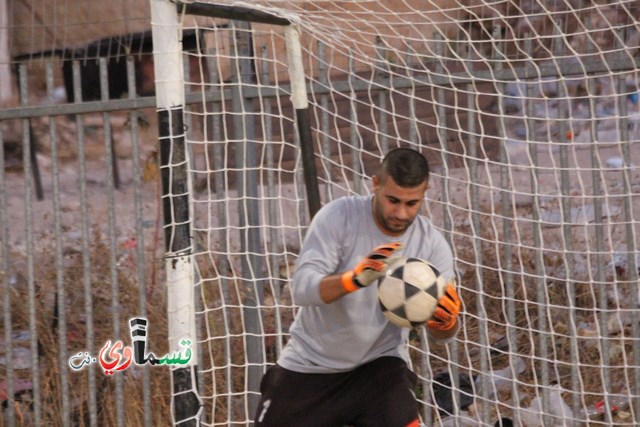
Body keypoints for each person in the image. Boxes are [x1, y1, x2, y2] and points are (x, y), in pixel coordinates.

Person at [254, 147, 462, 427]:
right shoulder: (338, 217)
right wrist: (352, 280)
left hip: (378, 366)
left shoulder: (431, 246)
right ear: (375, 185)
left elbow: (443, 336)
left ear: (424, 193)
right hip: (310, 365)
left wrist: (446, 321)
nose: (401, 213)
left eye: (412, 203)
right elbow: (302, 289)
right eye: (392, 200)